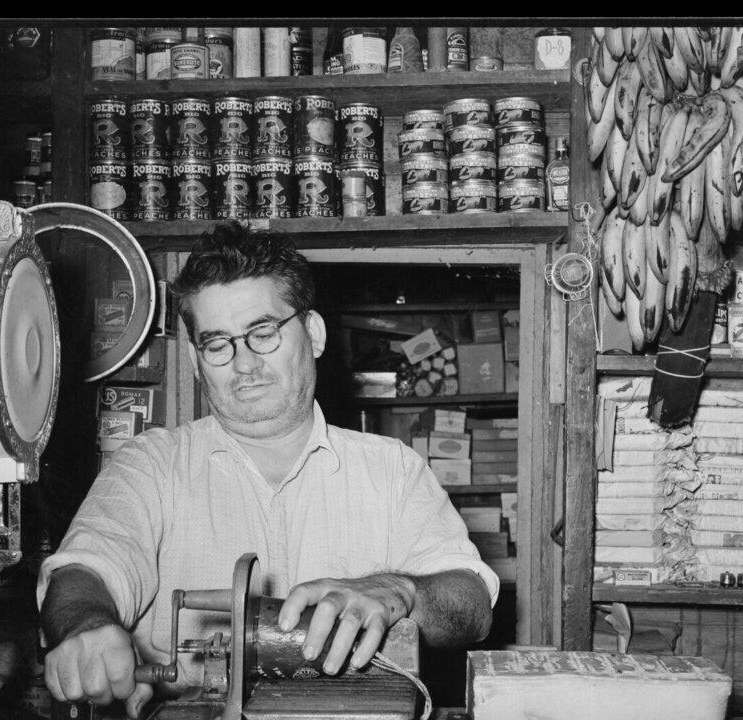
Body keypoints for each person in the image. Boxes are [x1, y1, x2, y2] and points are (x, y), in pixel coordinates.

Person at [36, 222, 498, 718]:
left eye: (264, 333)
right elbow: (86, 568)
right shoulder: (150, 467)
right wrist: (86, 625)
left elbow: (471, 606)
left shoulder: (393, 471)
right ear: (195, 360)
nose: (244, 363)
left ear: (313, 333)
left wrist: (401, 590)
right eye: (218, 344)